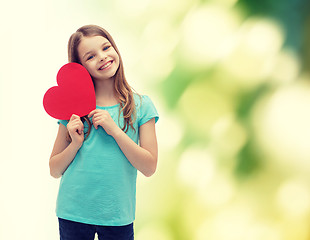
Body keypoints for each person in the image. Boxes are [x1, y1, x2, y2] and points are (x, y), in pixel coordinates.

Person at [49, 25, 159, 240]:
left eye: (106, 47)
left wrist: (115, 131)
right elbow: (54, 169)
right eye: (90, 56)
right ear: (81, 67)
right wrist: (74, 144)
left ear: (115, 49)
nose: (102, 57)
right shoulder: (72, 109)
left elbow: (149, 167)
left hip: (117, 215)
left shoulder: (141, 106)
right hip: (73, 213)